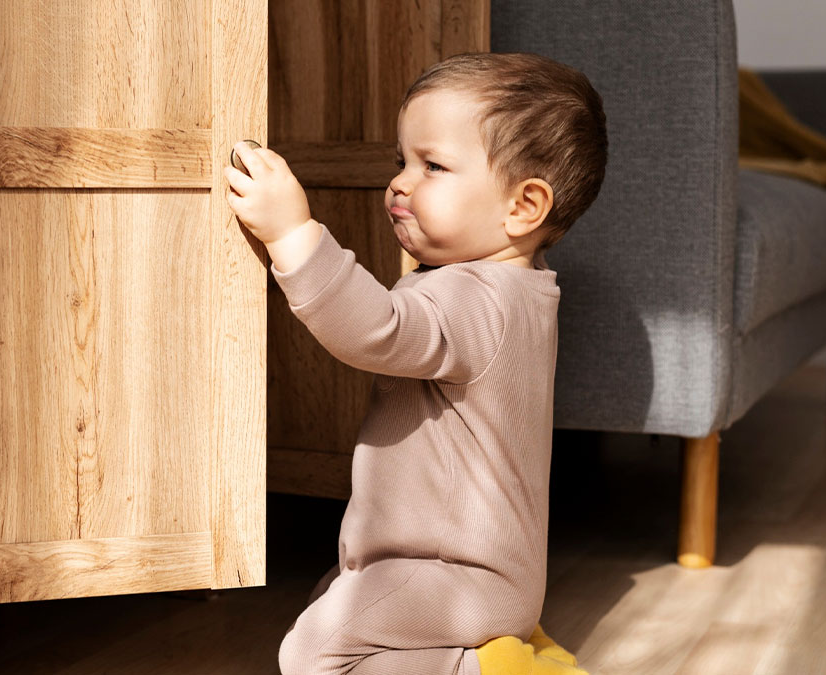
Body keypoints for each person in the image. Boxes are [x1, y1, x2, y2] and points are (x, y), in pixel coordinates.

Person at [224, 51, 607, 675]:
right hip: (461, 570)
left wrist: (292, 234)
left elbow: (376, 329)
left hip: (456, 574)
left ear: (523, 207)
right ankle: (503, 654)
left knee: (314, 651)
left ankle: (488, 671)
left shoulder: (476, 298)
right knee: (337, 604)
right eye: (400, 161)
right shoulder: (521, 292)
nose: (401, 181)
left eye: (433, 165)